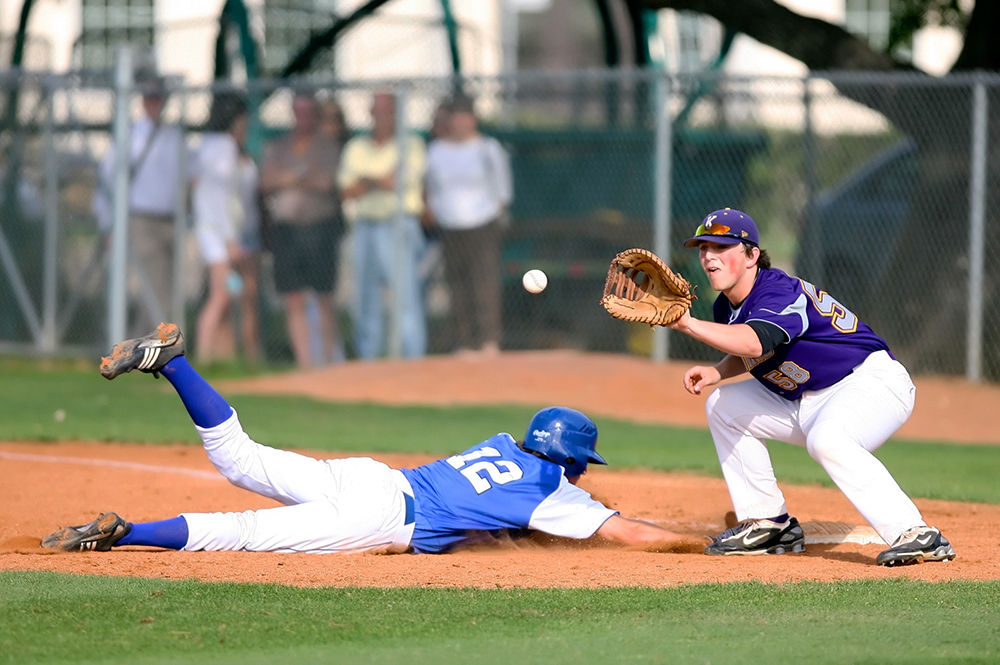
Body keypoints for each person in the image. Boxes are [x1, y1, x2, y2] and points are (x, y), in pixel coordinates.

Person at [40, 323, 689, 555]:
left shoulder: (501, 444)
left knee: (239, 458)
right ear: (572, 460)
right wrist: (700, 542)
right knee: (241, 530)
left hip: (371, 476)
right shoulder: (554, 491)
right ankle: (126, 532)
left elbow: (520, 515)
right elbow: (623, 531)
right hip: (381, 514)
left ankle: (174, 361)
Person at [669, 207, 956, 567]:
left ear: (752, 255)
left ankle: (916, 533)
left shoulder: (778, 291)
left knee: (829, 440)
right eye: (703, 248)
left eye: (721, 246)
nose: (709, 255)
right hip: (808, 398)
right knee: (723, 405)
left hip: (870, 382)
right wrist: (718, 372)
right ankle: (769, 525)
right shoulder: (725, 307)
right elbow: (758, 349)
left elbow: (758, 341)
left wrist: (687, 325)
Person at [93, 73, 188, 334]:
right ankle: (150, 347)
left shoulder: (174, 136)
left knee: (166, 288)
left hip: (171, 219)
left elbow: (188, 176)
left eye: (159, 98)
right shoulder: (131, 136)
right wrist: (108, 223)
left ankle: (146, 346)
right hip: (141, 220)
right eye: (150, 98)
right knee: (155, 290)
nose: (155, 103)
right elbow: (106, 180)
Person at [338, 92, 428, 359]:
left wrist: (366, 181)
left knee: (405, 296)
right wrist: (379, 180)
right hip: (364, 226)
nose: (382, 116)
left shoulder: (411, 144)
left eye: (387, 110)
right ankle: (369, 360)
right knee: (365, 298)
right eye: (376, 110)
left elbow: (397, 182)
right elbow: (347, 190)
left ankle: (412, 360)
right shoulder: (356, 147)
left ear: (396, 114)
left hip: (398, 225)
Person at [259, 92, 344, 368]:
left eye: (309, 112)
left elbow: (326, 183)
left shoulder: (327, 146)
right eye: (299, 111)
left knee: (323, 297)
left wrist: (287, 178)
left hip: (319, 229)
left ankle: (329, 362)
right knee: (293, 297)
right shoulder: (279, 145)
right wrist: (301, 175)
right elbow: (267, 181)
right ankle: (306, 364)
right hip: (287, 232)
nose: (303, 117)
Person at [423, 96, 512, 356]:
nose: (460, 123)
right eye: (455, 117)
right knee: (456, 285)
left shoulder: (488, 148)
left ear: (473, 119)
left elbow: (502, 190)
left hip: (482, 225)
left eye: (465, 117)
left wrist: (493, 213)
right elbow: (430, 189)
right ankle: (464, 342)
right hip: (449, 226)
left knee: (484, 283)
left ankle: (488, 341)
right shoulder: (436, 150)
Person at [191, 91, 261, 363]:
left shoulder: (208, 146)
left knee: (231, 294)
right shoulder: (223, 149)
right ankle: (204, 357)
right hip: (218, 235)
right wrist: (231, 240)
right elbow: (221, 199)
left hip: (217, 231)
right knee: (221, 296)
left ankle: (223, 357)